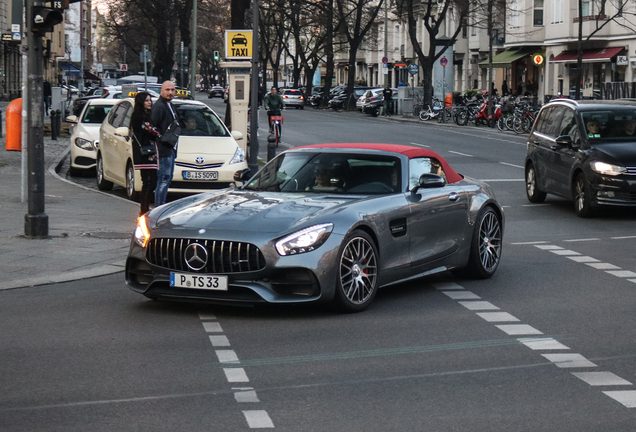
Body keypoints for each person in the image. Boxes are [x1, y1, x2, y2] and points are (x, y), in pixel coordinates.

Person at [130, 92, 159, 216]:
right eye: (147, 100)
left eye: (150, 100)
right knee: (148, 182)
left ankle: (145, 209)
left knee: (151, 181)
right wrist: (158, 132)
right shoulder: (138, 116)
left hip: (149, 152)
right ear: (141, 102)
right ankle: (143, 211)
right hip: (145, 153)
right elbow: (151, 131)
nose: (149, 103)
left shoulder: (146, 115)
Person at [151, 81, 179, 207]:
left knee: (167, 179)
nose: (170, 92)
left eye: (172, 90)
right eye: (167, 90)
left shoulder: (169, 105)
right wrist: (161, 140)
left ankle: (161, 206)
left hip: (170, 148)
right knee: (163, 179)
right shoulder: (159, 106)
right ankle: (159, 207)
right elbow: (153, 127)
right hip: (163, 149)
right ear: (161, 91)